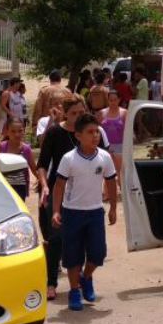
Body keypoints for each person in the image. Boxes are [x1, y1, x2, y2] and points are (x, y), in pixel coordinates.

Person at [50, 113, 118, 311]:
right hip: (72, 213)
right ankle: (74, 291)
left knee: (98, 254)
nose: (95, 136)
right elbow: (59, 186)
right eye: (90, 132)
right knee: (73, 255)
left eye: (97, 131)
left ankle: (86, 277)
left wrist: (113, 207)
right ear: (78, 135)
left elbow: (111, 182)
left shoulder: (104, 157)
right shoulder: (68, 159)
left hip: (95, 212)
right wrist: (56, 210)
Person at [37, 95, 86, 300]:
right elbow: (42, 165)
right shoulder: (55, 133)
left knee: (81, 236)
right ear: (65, 113)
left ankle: (79, 276)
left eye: (81, 113)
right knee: (55, 238)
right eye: (73, 113)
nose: (77, 117)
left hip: (81, 192)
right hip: (57, 190)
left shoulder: (88, 132)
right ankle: (51, 282)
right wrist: (45, 187)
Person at [0, 118, 42, 202]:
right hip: (4, 186)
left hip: (20, 188)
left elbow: (34, 169)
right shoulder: (1, 147)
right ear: (7, 131)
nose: (17, 134)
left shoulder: (26, 149)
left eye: (20, 131)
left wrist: (43, 181)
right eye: (13, 131)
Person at [99, 90, 127, 173]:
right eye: (111, 100)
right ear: (108, 100)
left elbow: (128, 130)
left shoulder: (124, 112)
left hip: (120, 146)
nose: (113, 102)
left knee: (120, 171)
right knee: (105, 172)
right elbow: (98, 130)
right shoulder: (102, 113)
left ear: (119, 100)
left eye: (115, 100)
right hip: (105, 146)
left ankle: (121, 186)